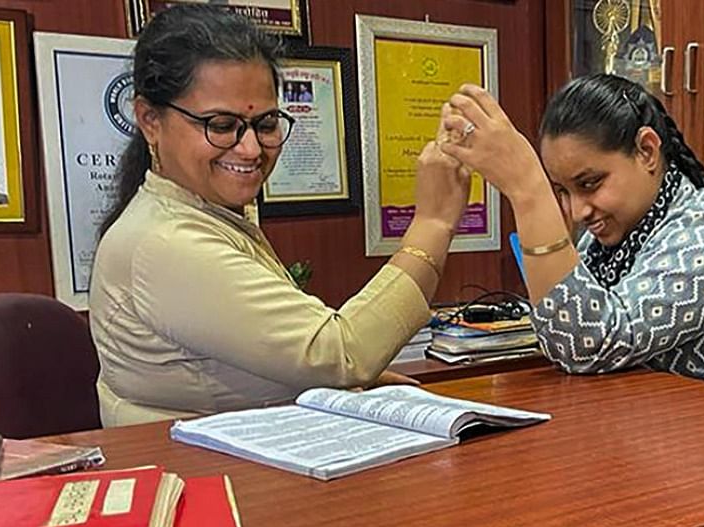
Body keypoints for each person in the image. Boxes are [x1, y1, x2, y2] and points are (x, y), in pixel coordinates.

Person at [89, 5, 470, 426]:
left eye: (265, 123)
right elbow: (340, 352)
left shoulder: (204, 215)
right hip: (203, 479)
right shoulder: (162, 243)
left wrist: (353, 386)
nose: (250, 148)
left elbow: (270, 360)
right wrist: (433, 223)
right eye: (220, 124)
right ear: (149, 120)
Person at [437, 74, 704, 396]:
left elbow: (588, 345)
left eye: (590, 183)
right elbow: (562, 341)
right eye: (561, 190)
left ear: (647, 151)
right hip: (648, 432)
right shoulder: (605, 239)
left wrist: (527, 189)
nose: (578, 211)